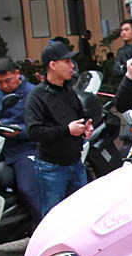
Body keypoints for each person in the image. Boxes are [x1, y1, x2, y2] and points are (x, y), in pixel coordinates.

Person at [26, 40, 92, 218]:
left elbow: (80, 116)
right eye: (67, 62)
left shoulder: (68, 91)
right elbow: (34, 131)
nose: (72, 66)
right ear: (53, 65)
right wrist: (66, 131)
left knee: (82, 216)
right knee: (54, 219)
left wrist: (86, 127)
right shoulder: (37, 97)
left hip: (76, 163)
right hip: (51, 168)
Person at [0, 57, 41, 225]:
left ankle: (44, 227)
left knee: (27, 190)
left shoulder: (32, 93)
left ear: (17, 73)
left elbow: (41, 126)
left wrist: (19, 132)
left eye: (7, 81)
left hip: (27, 148)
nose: (4, 86)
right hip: (0, 148)